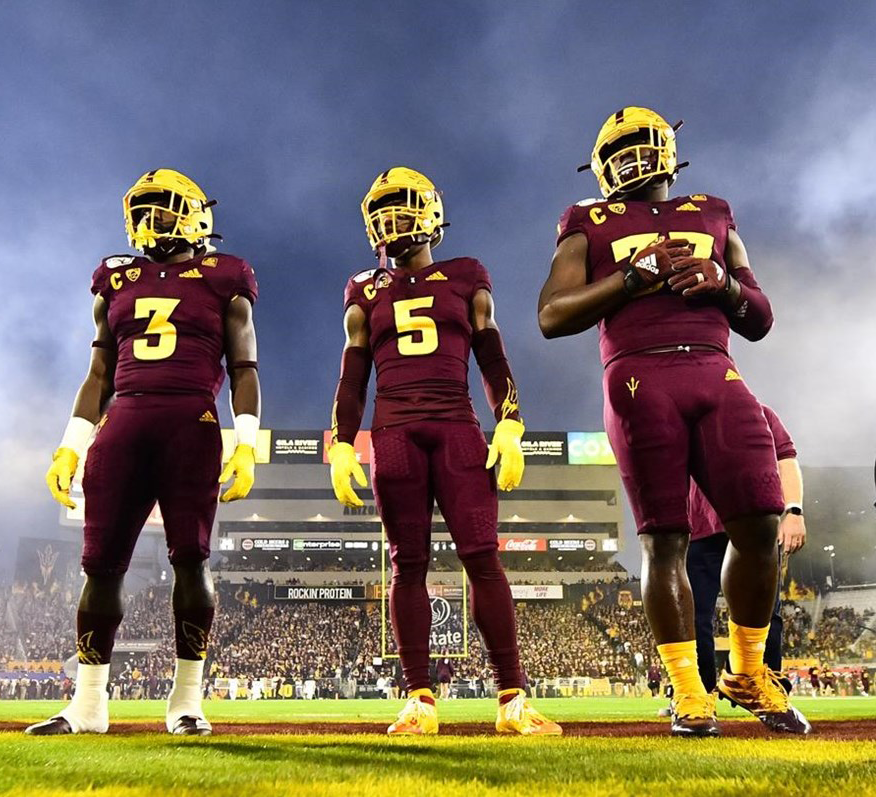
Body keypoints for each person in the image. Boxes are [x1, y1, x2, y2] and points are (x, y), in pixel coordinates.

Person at [538, 106, 807, 736]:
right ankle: (690, 690)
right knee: (665, 541)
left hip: (716, 368)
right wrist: (632, 279)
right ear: (601, 166)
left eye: (640, 144)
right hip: (638, 375)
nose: (631, 158)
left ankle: (746, 671)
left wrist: (725, 285)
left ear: (666, 150)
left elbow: (760, 318)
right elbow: (553, 314)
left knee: (761, 524)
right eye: (620, 148)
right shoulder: (586, 222)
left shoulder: (713, 213)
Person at [329, 167, 559, 737]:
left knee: (482, 557)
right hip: (395, 432)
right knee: (407, 565)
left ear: (431, 214)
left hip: (457, 426)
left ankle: (511, 699)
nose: (392, 222)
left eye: (402, 209)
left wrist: (510, 423)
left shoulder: (465, 275)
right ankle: (419, 701)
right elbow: (353, 373)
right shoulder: (364, 288)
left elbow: (493, 356)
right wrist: (339, 441)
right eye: (382, 213)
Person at [31, 169, 261, 737]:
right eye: (143, 211)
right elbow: (98, 374)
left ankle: (186, 703)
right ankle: (88, 705)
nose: (148, 221)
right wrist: (68, 447)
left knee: (191, 559)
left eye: (162, 209)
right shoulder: (116, 277)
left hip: (192, 421)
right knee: (100, 566)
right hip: (123, 421)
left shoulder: (224, 277)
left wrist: (249, 443)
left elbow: (244, 369)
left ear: (196, 216)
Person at [688, 405, 804, 693]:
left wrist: (794, 510)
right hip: (700, 529)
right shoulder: (683, 418)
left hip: (755, 525)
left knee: (766, 612)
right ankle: (697, 693)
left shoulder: (758, 412)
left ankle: (767, 689)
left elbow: (785, 458)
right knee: (692, 616)